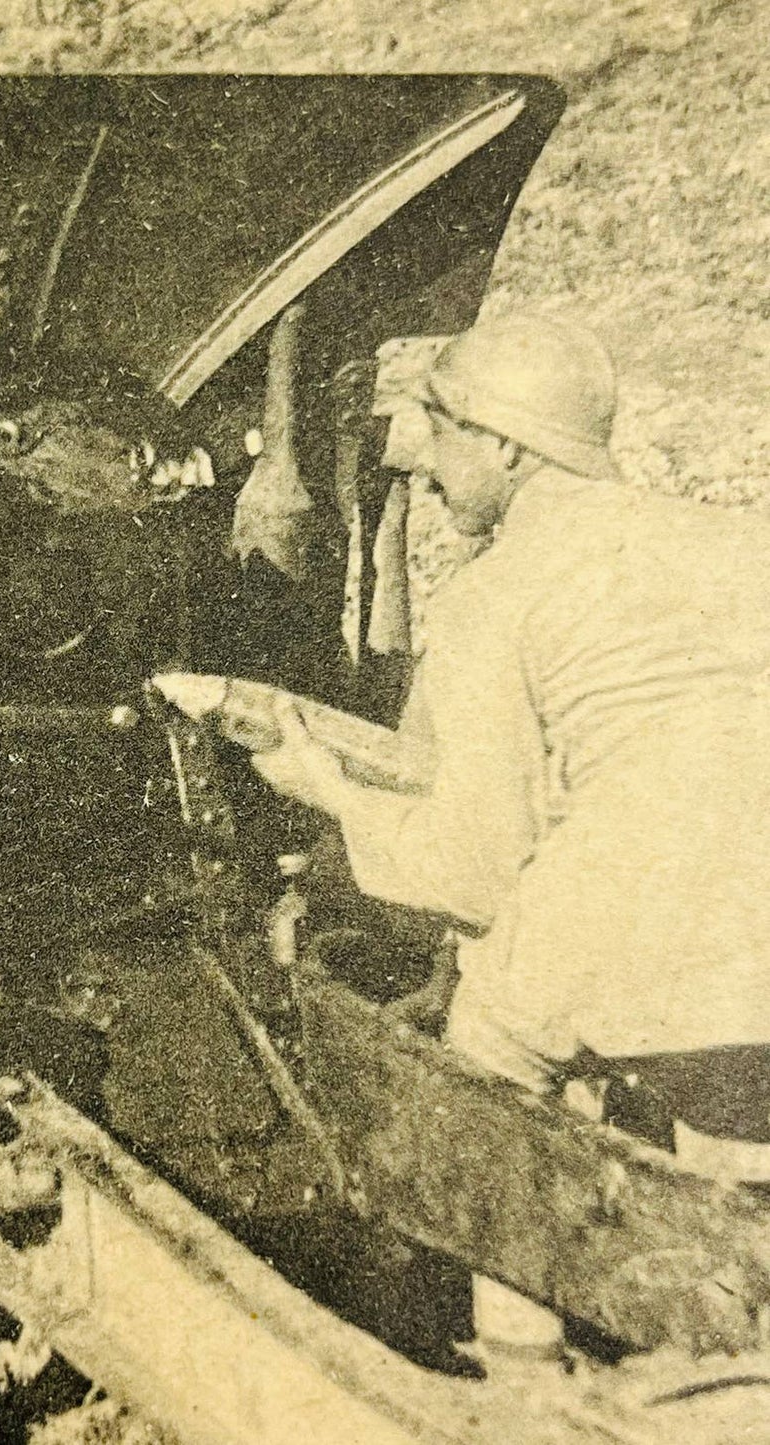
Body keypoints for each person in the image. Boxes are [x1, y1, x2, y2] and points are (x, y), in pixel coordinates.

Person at [244, 313, 770, 1343]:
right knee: (727, 1100)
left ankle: (522, 1364)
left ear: (506, 447)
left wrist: (327, 789)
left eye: (439, 429)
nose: (423, 464)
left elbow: (473, 870)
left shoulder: (496, 593)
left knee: (487, 1041)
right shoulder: (732, 534)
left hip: (654, 915)